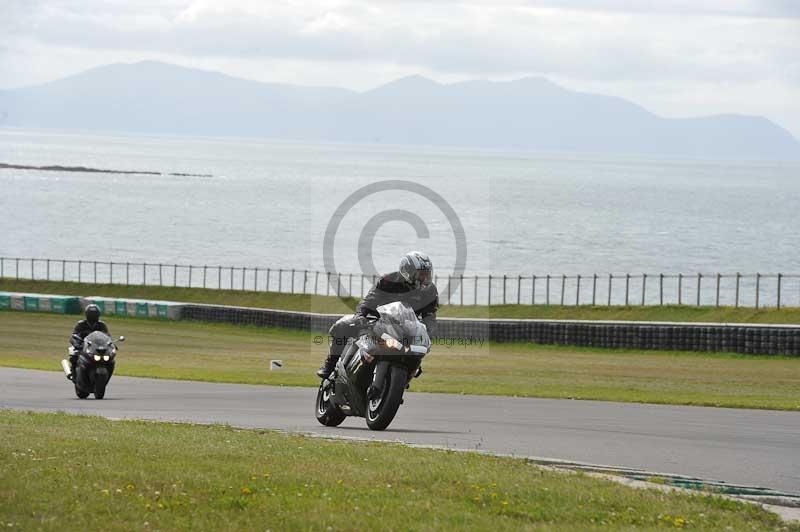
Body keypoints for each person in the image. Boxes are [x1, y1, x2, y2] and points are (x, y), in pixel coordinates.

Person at [316, 251, 438, 378]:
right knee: (342, 325)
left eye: (427, 274)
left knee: (417, 354)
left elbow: (430, 316)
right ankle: (330, 365)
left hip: (406, 329)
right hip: (378, 322)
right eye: (421, 274)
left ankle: (404, 378)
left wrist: (428, 331)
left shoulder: (430, 291)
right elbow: (369, 301)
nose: (424, 278)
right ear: (407, 271)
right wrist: (361, 316)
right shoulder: (388, 280)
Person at [67, 304, 109, 378]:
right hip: (82, 346)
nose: (93, 316)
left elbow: (107, 336)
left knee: (110, 358)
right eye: (91, 314)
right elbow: (74, 335)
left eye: (94, 314)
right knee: (74, 355)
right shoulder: (81, 324)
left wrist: (111, 344)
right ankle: (73, 373)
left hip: (96, 347)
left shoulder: (101, 325)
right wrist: (76, 344)